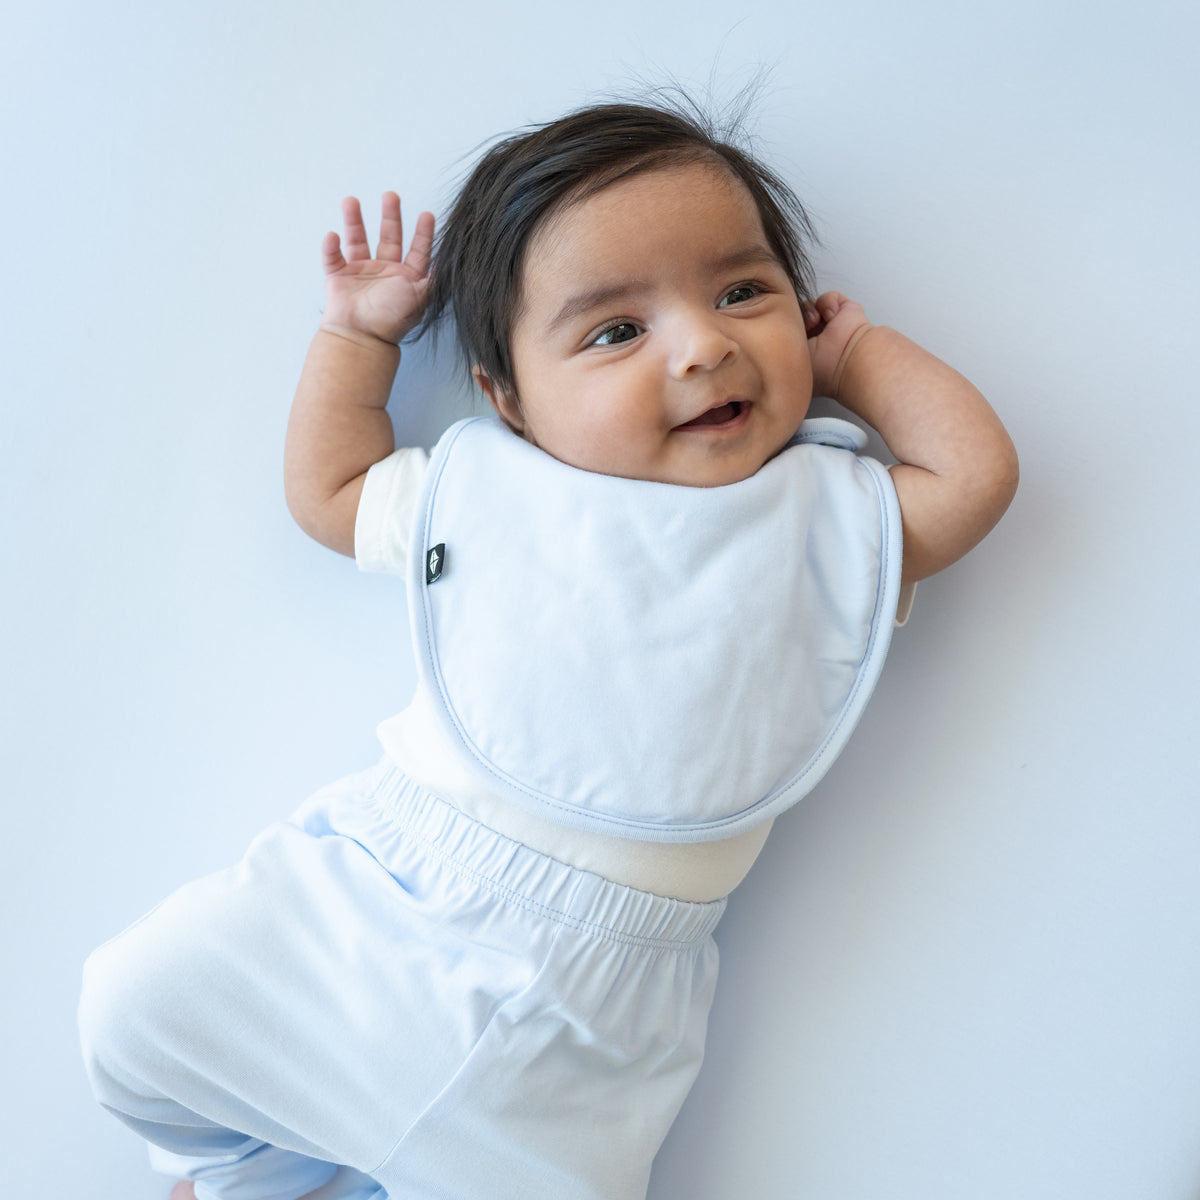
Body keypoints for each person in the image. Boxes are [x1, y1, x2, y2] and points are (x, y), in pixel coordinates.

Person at [79, 100, 1018, 1200]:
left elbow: (972, 479)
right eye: (618, 331)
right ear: (509, 402)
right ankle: (253, 1173)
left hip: (596, 1015)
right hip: (390, 906)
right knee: (132, 1009)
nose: (704, 344)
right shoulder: (489, 496)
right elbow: (329, 492)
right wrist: (356, 339)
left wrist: (860, 351)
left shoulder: (822, 523)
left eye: (744, 292)